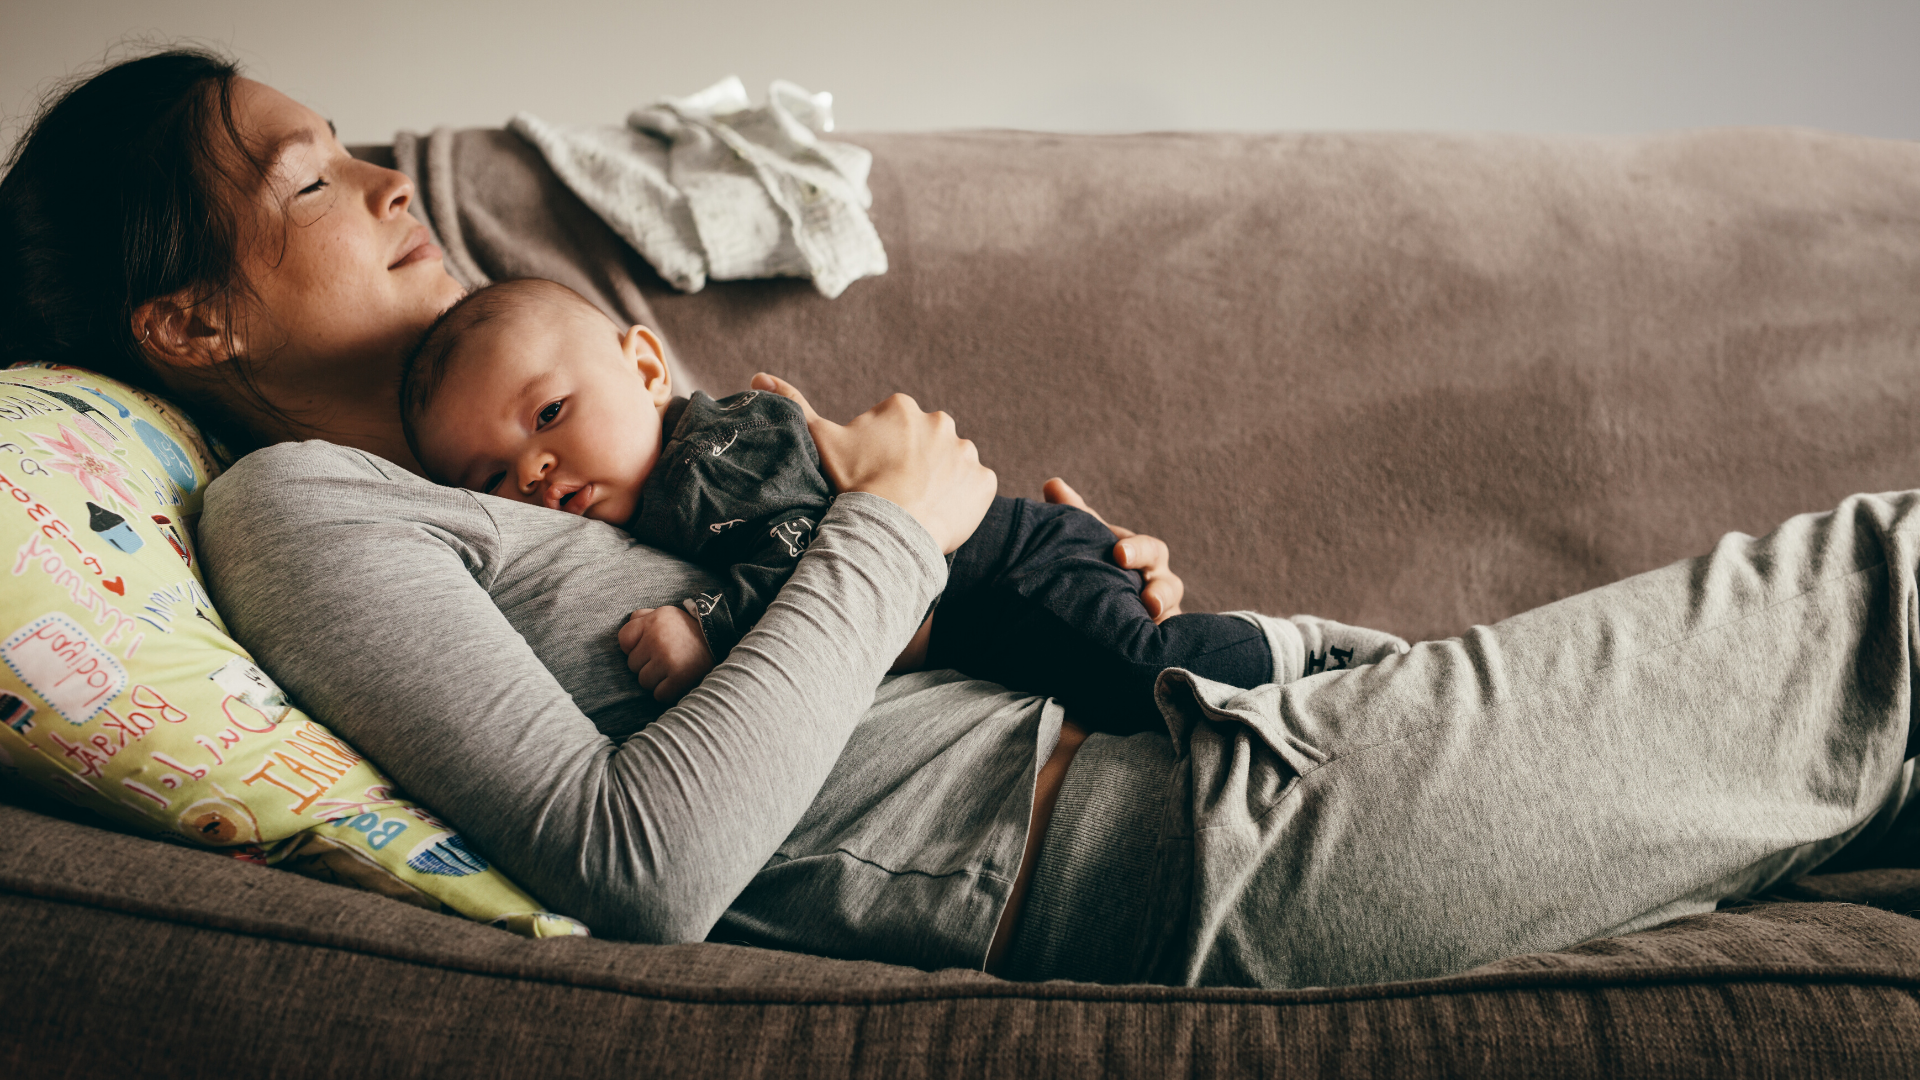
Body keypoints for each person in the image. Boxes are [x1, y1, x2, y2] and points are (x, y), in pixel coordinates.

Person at [3, 48, 1915, 988]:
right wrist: (900, 533)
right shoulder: (300, 516)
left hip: (1222, 740)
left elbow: (839, 655)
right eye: (311, 178)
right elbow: (641, 862)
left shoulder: (516, 457)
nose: (384, 179)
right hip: (1195, 851)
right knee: (1891, 582)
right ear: (194, 322)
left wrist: (1040, 583)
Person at [398, 277, 1410, 723]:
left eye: (549, 415)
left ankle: (1307, 657)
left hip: (1003, 567)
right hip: (972, 607)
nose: (530, 474)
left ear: (649, 365)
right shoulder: (659, 495)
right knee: (1117, 705)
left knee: (1135, 674)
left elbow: (803, 549)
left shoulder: (708, 459)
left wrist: (708, 626)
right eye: (488, 477)